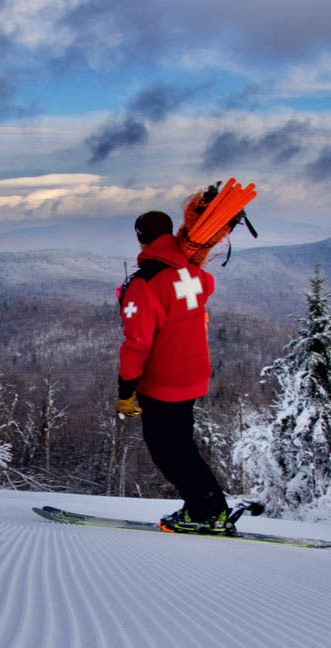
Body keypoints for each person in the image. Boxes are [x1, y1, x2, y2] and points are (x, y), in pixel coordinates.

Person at [116, 210, 234, 534]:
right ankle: (207, 506)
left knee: (167, 451)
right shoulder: (192, 273)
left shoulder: (146, 282)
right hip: (193, 375)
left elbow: (136, 342)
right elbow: (205, 285)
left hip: (163, 382)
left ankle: (207, 510)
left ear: (140, 238)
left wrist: (126, 389)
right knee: (182, 446)